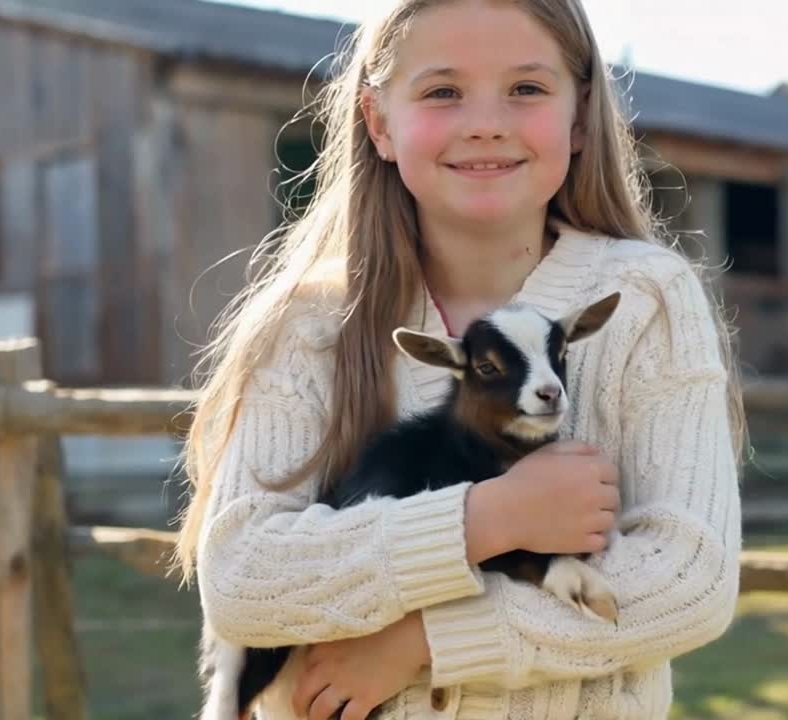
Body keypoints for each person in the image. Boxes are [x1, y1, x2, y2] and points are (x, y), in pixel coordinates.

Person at [173, 1, 746, 718]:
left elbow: (688, 579)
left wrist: (429, 640)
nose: (486, 122)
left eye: (526, 89)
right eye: (443, 91)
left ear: (578, 118)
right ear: (379, 122)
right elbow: (242, 581)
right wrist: (486, 519)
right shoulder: (309, 325)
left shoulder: (643, 299)